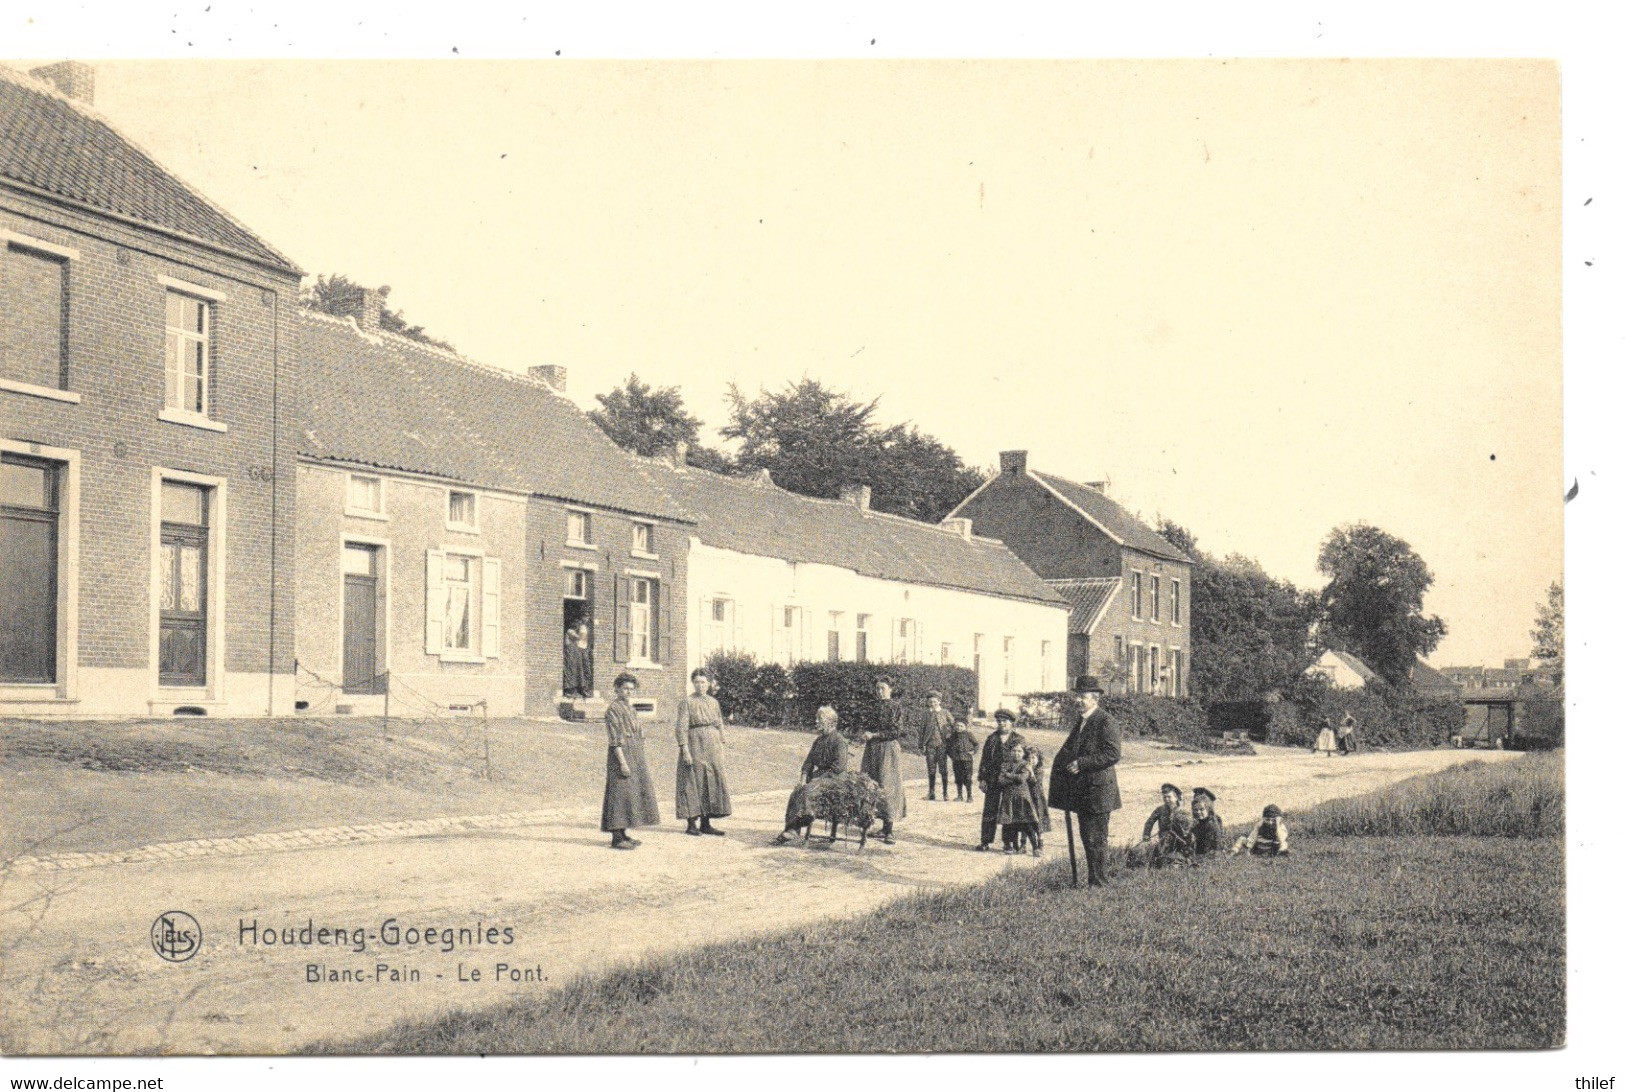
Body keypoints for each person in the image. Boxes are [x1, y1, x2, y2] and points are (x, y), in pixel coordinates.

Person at [1048, 676, 1122, 888]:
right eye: (1076, 696)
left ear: (1095, 698)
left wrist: (1082, 763)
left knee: (1096, 839)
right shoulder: (1082, 721)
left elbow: (1113, 754)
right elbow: (1069, 750)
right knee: (1088, 838)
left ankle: (1099, 884)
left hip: (1098, 791)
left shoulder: (1105, 721)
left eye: (1082, 697)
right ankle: (1094, 881)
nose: (1077, 701)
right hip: (1084, 790)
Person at [774, 705, 852, 844]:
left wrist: (815, 779)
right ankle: (792, 829)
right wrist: (803, 779)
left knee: (808, 790)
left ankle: (800, 823)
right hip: (819, 778)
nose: (816, 722)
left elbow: (838, 767)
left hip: (835, 779)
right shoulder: (819, 741)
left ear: (830, 722)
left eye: (819, 719)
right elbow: (808, 762)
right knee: (798, 790)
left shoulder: (839, 741)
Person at [601, 672, 660, 850]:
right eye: (625, 688)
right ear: (617, 689)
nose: (628, 692)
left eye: (631, 689)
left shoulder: (631, 708)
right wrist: (623, 762)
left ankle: (624, 832)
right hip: (621, 754)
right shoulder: (613, 710)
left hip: (635, 754)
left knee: (630, 793)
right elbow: (614, 740)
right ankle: (616, 837)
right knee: (619, 793)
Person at [675, 668, 732, 837]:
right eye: (697, 682)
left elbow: (719, 723)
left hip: (712, 744)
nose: (700, 685)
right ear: (693, 683)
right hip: (694, 742)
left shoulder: (714, 702)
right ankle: (692, 823)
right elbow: (681, 727)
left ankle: (706, 823)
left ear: (709, 684)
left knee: (711, 780)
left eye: (703, 682)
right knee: (693, 780)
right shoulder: (687, 702)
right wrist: (684, 748)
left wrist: (721, 742)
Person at [860, 677, 908, 844]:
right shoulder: (872, 706)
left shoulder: (896, 707)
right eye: (877, 688)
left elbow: (896, 731)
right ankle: (869, 824)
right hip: (872, 749)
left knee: (888, 785)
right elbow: (866, 724)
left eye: (883, 688)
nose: (879, 691)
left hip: (888, 749)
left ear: (890, 689)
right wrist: (865, 733)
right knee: (869, 784)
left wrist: (875, 735)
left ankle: (889, 830)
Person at [975, 708, 1026, 850]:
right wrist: (982, 779)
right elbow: (984, 760)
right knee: (990, 810)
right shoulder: (992, 739)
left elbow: (1024, 762)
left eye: (1005, 721)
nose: (1002, 724)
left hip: (1010, 781)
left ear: (1011, 723)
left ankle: (1008, 843)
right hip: (992, 780)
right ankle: (985, 841)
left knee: (1009, 811)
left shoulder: (1018, 739)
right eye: (999, 721)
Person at [1129, 783, 1194, 868]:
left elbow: (1189, 831)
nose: (1167, 799)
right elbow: (1150, 822)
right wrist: (1146, 835)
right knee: (1138, 850)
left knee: (1171, 859)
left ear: (1176, 797)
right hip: (1162, 839)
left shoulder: (1184, 812)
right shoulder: (1160, 810)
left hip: (1179, 842)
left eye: (1169, 797)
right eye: (1165, 797)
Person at [997, 745, 1041, 855]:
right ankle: (1009, 846)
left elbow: (1022, 779)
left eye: (1019, 751)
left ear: (1023, 753)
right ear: (1010, 752)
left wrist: (1008, 775)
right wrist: (1013, 777)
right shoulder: (1005, 764)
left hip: (1022, 797)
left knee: (1027, 822)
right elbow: (1001, 780)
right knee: (1008, 822)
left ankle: (1035, 848)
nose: (1016, 753)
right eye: (1014, 750)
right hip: (1008, 797)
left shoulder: (1025, 764)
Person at [919, 690, 955, 801]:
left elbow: (954, 724)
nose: (933, 704)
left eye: (935, 702)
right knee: (931, 769)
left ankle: (945, 793)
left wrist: (950, 735)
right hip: (930, 745)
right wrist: (921, 745)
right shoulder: (926, 714)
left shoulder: (945, 712)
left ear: (939, 701)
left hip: (942, 745)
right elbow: (922, 730)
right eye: (930, 702)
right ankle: (931, 793)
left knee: (943, 769)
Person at [947, 719, 979, 802]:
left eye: (961, 726)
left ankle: (969, 796)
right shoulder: (953, 736)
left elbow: (976, 744)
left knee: (968, 778)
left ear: (965, 727)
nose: (959, 727)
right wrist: (952, 756)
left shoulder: (969, 734)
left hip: (967, 759)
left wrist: (973, 751)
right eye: (957, 726)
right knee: (958, 778)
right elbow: (948, 747)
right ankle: (959, 796)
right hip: (956, 760)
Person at [1190, 787, 1225, 857]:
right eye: (1195, 809)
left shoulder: (1213, 822)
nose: (1198, 812)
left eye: (1201, 809)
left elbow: (1213, 846)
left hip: (1210, 852)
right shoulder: (1197, 821)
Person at [562, 623, 592, 699]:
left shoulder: (574, 636)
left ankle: (579, 689)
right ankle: (569, 690)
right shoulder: (570, 631)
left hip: (574, 655)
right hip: (570, 656)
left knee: (578, 671)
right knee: (570, 672)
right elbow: (578, 637)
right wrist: (584, 633)